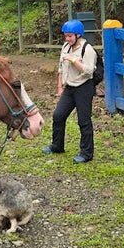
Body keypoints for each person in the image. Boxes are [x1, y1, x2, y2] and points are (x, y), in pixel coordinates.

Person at [42, 19, 98, 164]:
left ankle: (86, 153)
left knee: (83, 121)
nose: (67, 39)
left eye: (70, 36)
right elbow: (61, 68)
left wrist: (74, 60)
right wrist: (60, 87)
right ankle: (57, 145)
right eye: (65, 36)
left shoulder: (88, 49)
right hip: (69, 88)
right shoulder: (66, 47)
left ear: (78, 35)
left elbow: (88, 71)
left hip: (84, 87)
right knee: (58, 115)